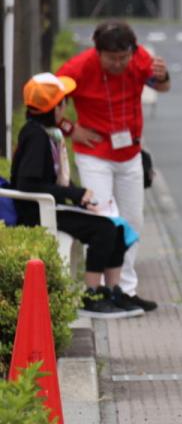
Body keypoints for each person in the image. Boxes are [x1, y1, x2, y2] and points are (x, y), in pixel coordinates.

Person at [56, 20, 170, 312]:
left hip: (130, 152)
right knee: (103, 219)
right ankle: (96, 291)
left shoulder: (141, 58)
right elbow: (47, 101)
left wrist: (163, 75)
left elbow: (164, 86)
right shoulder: (79, 68)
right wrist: (71, 129)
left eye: (124, 57)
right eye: (112, 59)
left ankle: (122, 288)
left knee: (132, 222)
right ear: (98, 53)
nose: (119, 64)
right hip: (94, 153)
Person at [10, 74, 142, 319]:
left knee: (118, 227)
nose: (66, 106)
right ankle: (90, 296)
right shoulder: (37, 138)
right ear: (55, 107)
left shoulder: (46, 133)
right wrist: (75, 193)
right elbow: (28, 184)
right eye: (64, 101)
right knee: (103, 229)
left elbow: (52, 178)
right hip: (38, 212)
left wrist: (81, 198)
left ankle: (112, 291)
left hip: (52, 206)